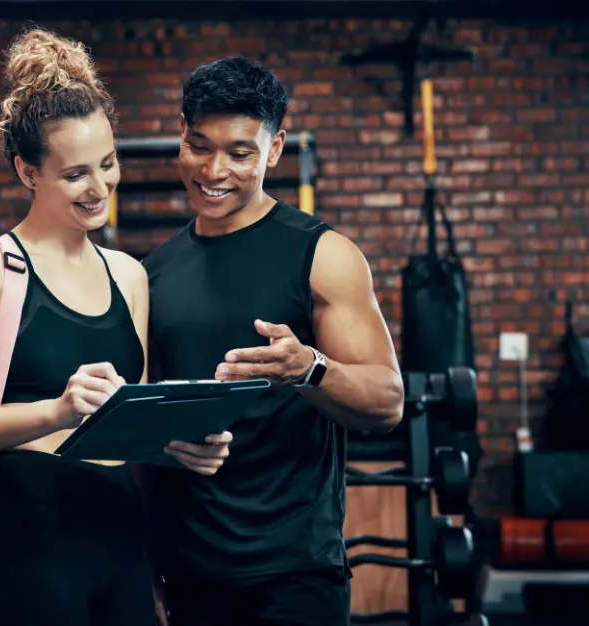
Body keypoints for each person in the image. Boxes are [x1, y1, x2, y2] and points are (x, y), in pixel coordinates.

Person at [0, 28, 231, 626]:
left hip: (118, 529)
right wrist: (58, 411)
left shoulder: (129, 277)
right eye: (75, 174)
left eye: (109, 164)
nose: (100, 188)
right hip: (23, 537)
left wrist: (179, 446)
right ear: (27, 171)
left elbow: (125, 425)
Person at [142, 56, 406, 626]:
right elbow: (148, 424)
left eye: (240, 152)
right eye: (199, 145)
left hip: (295, 570)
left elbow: (387, 402)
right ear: (181, 137)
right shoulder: (154, 272)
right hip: (190, 569)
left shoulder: (323, 255)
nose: (214, 170)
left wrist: (309, 369)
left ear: (276, 147)